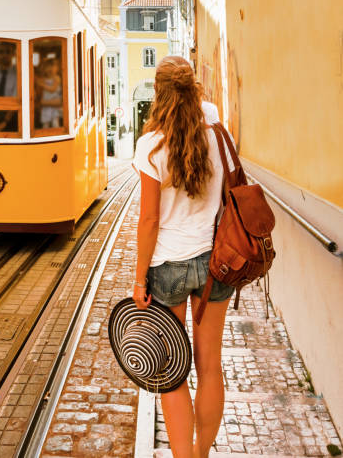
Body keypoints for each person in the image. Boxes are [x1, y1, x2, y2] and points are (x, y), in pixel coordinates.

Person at [132, 56, 234, 458]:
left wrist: (139, 279)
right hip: (216, 260)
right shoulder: (215, 128)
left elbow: (149, 220)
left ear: (158, 94)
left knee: (172, 375)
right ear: (195, 89)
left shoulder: (150, 145)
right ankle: (203, 452)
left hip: (168, 267)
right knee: (210, 366)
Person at [37, 57, 63, 128]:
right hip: (46, 105)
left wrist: (42, 85)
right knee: (45, 124)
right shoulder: (44, 78)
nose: (50, 69)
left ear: (57, 69)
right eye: (48, 67)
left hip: (54, 102)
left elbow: (53, 89)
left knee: (55, 122)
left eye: (53, 67)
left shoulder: (56, 78)